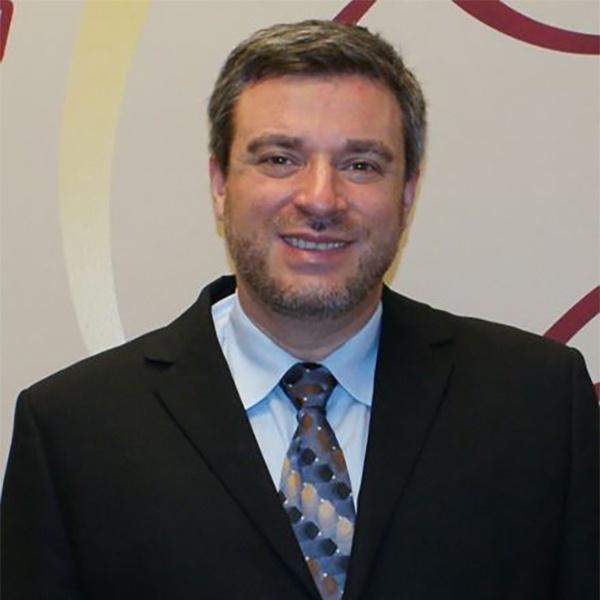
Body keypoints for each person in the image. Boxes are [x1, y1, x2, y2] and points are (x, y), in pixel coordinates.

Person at [1, 19, 597, 600]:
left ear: (408, 193)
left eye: (360, 165)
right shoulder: (72, 432)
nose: (320, 199)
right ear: (220, 184)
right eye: (280, 159)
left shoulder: (538, 405)